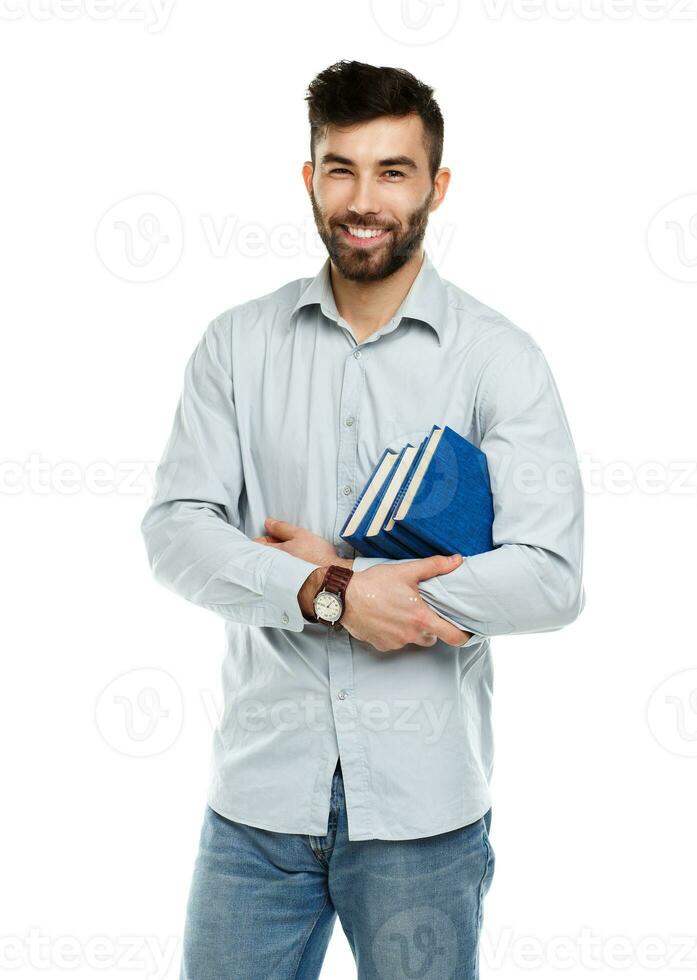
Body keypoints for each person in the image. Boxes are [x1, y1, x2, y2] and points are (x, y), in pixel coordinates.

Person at [140, 59, 585, 980]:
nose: (362, 198)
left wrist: (345, 566)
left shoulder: (499, 359)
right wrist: (326, 590)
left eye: (392, 171)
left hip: (423, 820)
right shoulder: (237, 344)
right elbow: (177, 531)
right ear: (309, 179)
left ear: (436, 186)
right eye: (340, 168)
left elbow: (550, 575)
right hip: (256, 808)